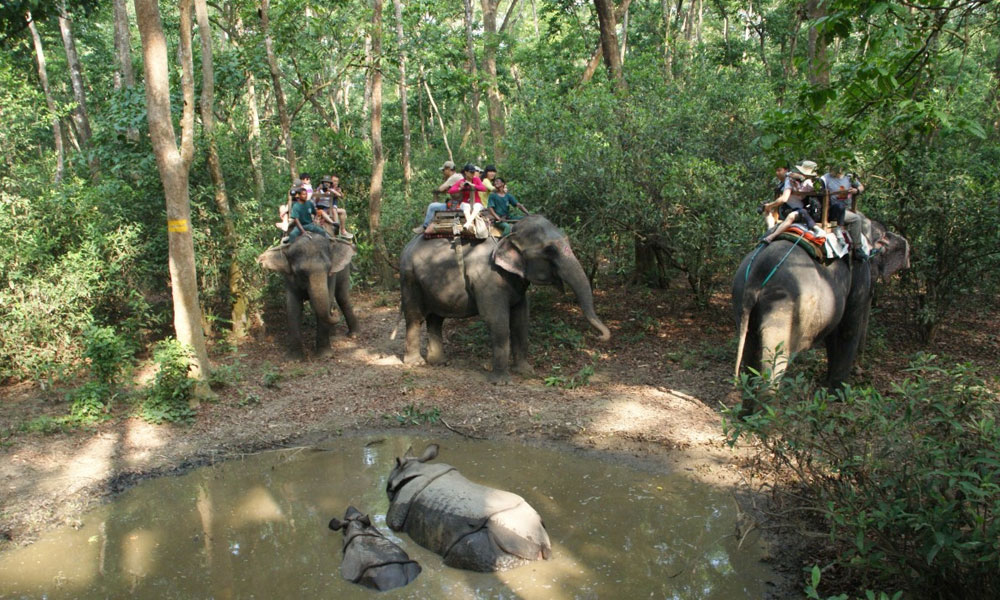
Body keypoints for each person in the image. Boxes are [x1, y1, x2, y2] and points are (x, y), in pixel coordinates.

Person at [760, 160, 824, 245]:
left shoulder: (814, 183)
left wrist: (771, 205)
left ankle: (772, 236)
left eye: (779, 170)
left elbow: (784, 198)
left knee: (791, 216)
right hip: (791, 209)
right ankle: (770, 229)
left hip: (806, 210)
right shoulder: (792, 180)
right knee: (767, 211)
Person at [821, 166, 866, 249]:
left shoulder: (849, 178)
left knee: (858, 219)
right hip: (831, 210)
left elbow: (861, 187)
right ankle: (836, 230)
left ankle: (858, 247)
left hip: (845, 209)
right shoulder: (825, 178)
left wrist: (856, 190)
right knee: (838, 208)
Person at [414, 160, 464, 233]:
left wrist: (446, 183)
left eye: (444, 170)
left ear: (448, 169)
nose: (443, 172)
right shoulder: (459, 176)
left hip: (456, 206)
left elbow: (440, 189)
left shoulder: (453, 177)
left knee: (432, 206)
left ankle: (425, 226)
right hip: (459, 204)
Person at [446, 163, 487, 232]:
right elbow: (450, 190)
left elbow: (483, 188)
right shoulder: (461, 181)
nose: (473, 174)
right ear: (466, 172)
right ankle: (470, 224)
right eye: (471, 172)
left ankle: (468, 223)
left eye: (474, 172)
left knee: (476, 207)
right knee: (466, 207)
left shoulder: (476, 179)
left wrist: (473, 185)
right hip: (465, 202)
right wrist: (460, 188)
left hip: (477, 202)